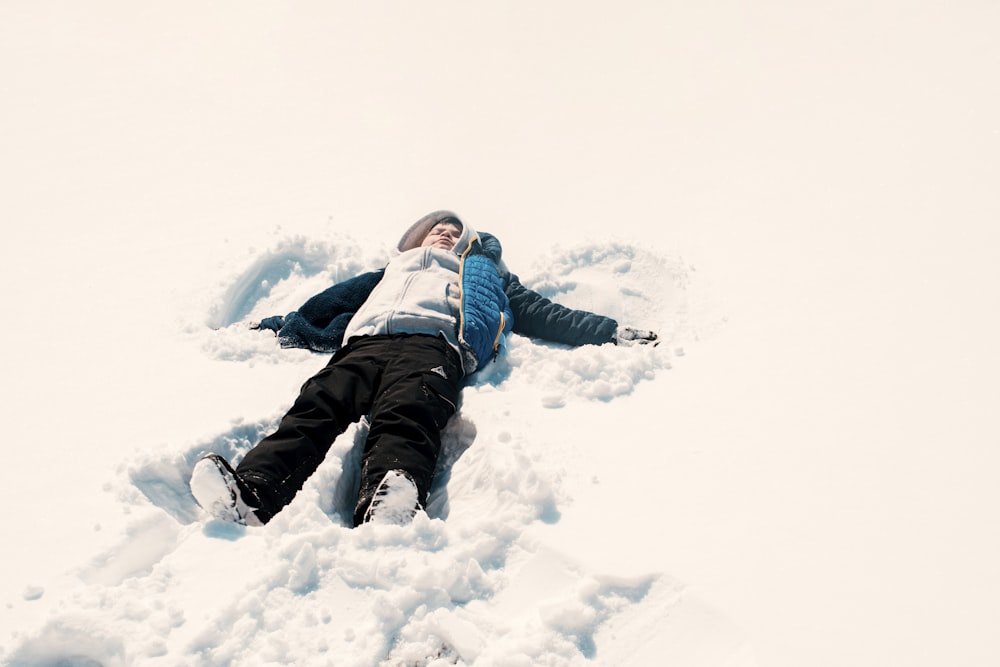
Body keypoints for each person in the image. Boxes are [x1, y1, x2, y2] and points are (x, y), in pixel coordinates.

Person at [190, 211, 658, 527]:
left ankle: (390, 504)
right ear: (416, 239)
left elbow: (543, 312)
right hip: (364, 345)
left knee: (408, 415)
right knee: (313, 409)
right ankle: (252, 495)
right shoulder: (390, 271)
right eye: (437, 228)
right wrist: (275, 325)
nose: (445, 234)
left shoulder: (482, 273)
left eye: (455, 231)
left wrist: (607, 330)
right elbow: (324, 307)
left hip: (432, 347)